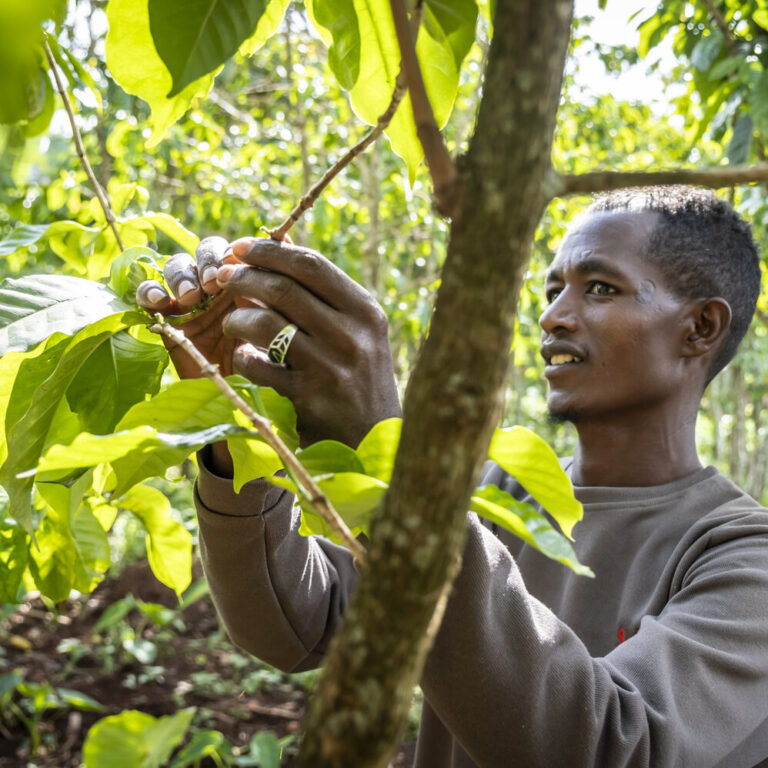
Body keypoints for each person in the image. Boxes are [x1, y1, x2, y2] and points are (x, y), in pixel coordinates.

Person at [137, 186, 768, 767]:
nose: (553, 316)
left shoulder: (744, 559)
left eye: (599, 288)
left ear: (700, 327)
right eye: (552, 290)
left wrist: (395, 457)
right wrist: (240, 419)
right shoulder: (487, 495)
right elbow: (293, 623)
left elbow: (609, 746)